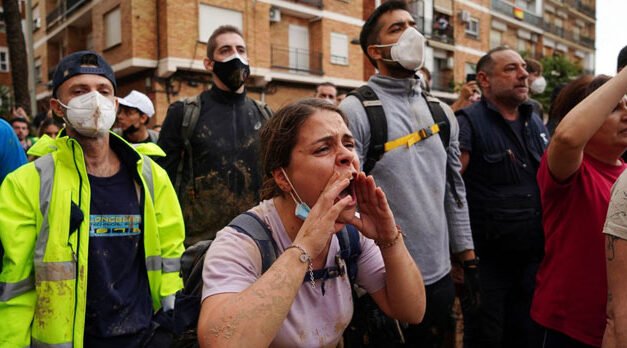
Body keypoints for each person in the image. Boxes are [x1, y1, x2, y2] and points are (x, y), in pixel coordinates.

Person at [197, 98, 425, 347]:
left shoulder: (352, 233)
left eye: (348, 144)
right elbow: (220, 342)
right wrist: (304, 248)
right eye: (323, 149)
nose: (347, 155)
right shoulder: (240, 242)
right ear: (282, 178)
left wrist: (389, 239)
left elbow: (411, 311)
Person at [0, 50, 185, 347]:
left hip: (142, 337)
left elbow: (170, 257)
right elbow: (16, 284)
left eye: (103, 90)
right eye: (80, 90)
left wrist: (170, 321)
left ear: (114, 104)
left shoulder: (151, 176)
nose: (94, 99)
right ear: (57, 108)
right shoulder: (26, 183)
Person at [340, 2, 476, 346]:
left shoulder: (442, 112)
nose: (412, 32)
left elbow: (454, 193)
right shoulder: (355, 110)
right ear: (375, 51)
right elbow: (343, 198)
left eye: (412, 24)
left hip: (440, 276)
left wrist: (467, 257)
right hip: (383, 279)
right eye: (397, 28)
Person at [456, 47, 549, 348]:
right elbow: (450, 189)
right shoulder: (467, 121)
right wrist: (459, 254)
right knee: (487, 338)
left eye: (523, 67)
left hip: (534, 262)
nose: (523, 74)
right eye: (511, 69)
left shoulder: (533, 119)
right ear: (484, 79)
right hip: (487, 265)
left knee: (528, 336)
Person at [531, 70, 627, 348]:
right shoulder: (572, 170)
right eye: (613, 108)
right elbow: (568, 138)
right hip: (570, 328)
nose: (625, 114)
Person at [158, 25, 271, 245]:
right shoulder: (183, 113)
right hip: (200, 245)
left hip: (257, 240)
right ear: (209, 63)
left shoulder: (266, 116)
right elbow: (163, 180)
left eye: (240, 50)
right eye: (225, 50)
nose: (235, 56)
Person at [0, 117, 27, 183]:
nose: (20, 131)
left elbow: (19, 179)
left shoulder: (3, 131)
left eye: (23, 128)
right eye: (17, 128)